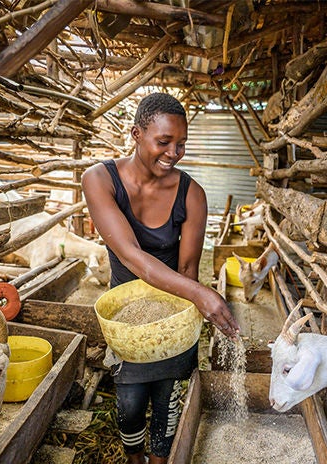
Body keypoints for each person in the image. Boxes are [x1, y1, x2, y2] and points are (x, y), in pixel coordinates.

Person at [82, 92, 240, 464]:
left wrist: (191, 303)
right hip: (126, 319)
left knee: (169, 405)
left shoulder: (192, 195)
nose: (173, 153)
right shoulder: (99, 179)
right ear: (136, 133)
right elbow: (131, 256)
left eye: (181, 144)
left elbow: (186, 270)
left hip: (175, 314)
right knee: (130, 404)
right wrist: (203, 294)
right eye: (164, 142)